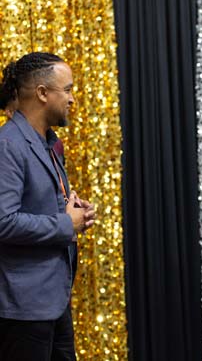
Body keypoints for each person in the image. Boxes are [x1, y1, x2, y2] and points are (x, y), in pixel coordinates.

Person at [0, 52, 96, 360]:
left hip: (53, 300)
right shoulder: (8, 145)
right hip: (24, 308)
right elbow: (3, 221)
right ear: (42, 93)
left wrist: (73, 208)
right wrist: (67, 223)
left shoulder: (48, 142)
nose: (72, 99)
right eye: (67, 90)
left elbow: (38, 202)